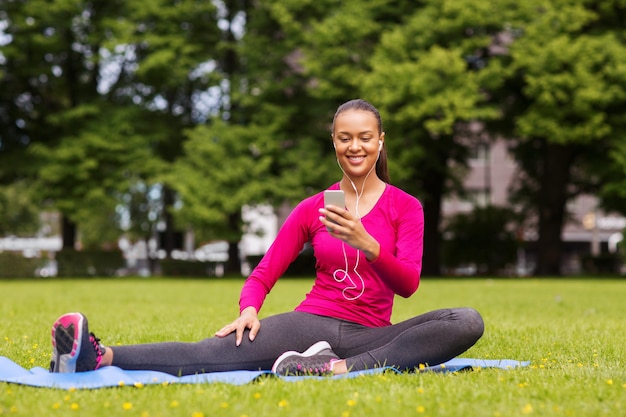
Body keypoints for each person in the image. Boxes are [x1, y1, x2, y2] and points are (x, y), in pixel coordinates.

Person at [49, 99, 484, 376]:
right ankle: (96, 355)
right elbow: (265, 271)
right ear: (333, 142)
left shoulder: (406, 207)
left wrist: (367, 244)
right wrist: (248, 309)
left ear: (380, 142)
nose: (356, 147)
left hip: (372, 335)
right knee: (211, 353)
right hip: (311, 321)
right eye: (345, 138)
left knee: (465, 321)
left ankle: (335, 369)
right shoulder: (313, 208)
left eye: (365, 138)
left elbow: (408, 285)